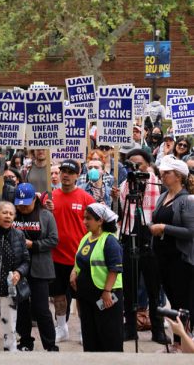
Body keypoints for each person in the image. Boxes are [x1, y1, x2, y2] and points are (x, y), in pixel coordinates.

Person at [110, 148, 168, 344]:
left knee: (153, 289)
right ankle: (130, 328)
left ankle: (158, 330)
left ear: (148, 165)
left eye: (139, 164)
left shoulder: (157, 184)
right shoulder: (125, 184)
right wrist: (116, 199)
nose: (135, 168)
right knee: (129, 288)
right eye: (131, 165)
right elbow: (117, 216)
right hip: (129, 239)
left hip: (150, 242)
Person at [46, 159, 95, 342]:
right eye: (63, 171)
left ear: (77, 175)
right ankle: (61, 328)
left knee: (81, 297)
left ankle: (84, 329)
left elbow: (96, 226)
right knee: (58, 295)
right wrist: (46, 208)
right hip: (56, 256)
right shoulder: (50, 197)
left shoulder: (85, 198)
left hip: (79, 258)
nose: (65, 175)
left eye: (70, 172)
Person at [150, 155, 194, 345]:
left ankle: (184, 343)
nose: (162, 176)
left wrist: (164, 228)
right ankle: (179, 343)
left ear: (178, 176)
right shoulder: (162, 196)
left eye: (167, 173)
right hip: (163, 258)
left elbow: (191, 232)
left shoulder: (187, 200)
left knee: (183, 304)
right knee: (174, 303)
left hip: (180, 260)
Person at [69, 203, 124, 352]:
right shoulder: (86, 237)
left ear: (100, 221)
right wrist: (74, 272)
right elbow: (79, 259)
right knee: (90, 337)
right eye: (84, 218)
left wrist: (107, 291)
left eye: (89, 218)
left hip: (106, 298)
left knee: (108, 337)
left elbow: (115, 269)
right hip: (87, 298)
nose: (85, 222)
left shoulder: (110, 241)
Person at [13, 183, 59, 351]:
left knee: (41, 309)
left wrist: (34, 245)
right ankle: (25, 341)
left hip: (40, 268)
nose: (23, 207)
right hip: (19, 269)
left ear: (35, 199)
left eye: (27, 204)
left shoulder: (46, 216)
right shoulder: (13, 214)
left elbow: (54, 240)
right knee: (22, 308)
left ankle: (50, 344)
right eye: (20, 204)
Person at [0, 201, 30, 351]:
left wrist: (19, 272)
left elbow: (26, 261)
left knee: (10, 325)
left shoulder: (19, 235)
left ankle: (10, 353)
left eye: (11, 213)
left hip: (10, 288)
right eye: (4, 213)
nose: (8, 216)